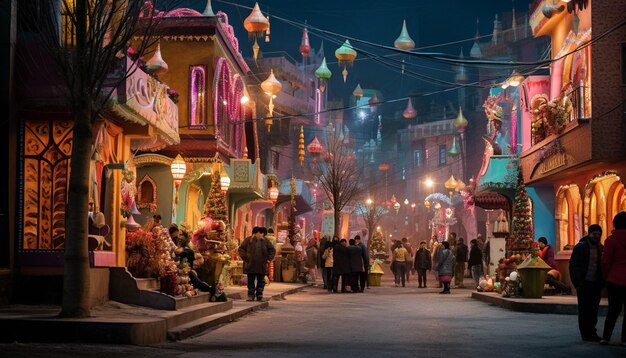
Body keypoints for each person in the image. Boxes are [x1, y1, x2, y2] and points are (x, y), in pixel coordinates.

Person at [569, 224, 604, 342]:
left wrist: (601, 283)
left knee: (594, 310)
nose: (596, 236)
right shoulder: (580, 247)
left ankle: (592, 332)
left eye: (599, 234)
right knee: (584, 310)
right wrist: (578, 283)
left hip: (595, 283)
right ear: (589, 234)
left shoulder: (601, 247)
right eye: (594, 234)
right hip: (584, 283)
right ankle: (585, 333)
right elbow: (574, 266)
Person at [600, 212, 626, 346]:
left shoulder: (611, 240)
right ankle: (624, 339)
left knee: (613, 310)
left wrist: (605, 276)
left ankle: (606, 337)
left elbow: (606, 261)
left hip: (615, 279)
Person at [238, 227, 276, 301]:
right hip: (250, 264)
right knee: (250, 281)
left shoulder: (265, 241)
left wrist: (269, 258)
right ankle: (250, 295)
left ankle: (259, 295)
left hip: (262, 265)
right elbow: (241, 249)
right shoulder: (248, 240)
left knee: (261, 281)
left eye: (263, 233)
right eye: (261, 233)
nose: (262, 235)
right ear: (256, 233)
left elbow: (272, 250)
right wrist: (246, 258)